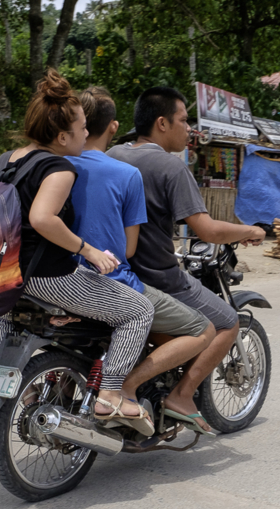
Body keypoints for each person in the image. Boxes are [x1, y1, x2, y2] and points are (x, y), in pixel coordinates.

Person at [0, 70, 155, 436]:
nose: (86, 134)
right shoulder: (58, 167)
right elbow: (42, 218)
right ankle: (111, 394)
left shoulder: (5, 160)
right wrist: (90, 251)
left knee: (7, 316)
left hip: (5, 274)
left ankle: (24, 384)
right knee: (139, 310)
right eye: (81, 128)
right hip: (49, 276)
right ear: (62, 135)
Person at [107, 87, 265, 433]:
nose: (189, 128)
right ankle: (181, 394)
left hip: (111, 272)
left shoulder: (113, 153)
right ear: (162, 123)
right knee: (226, 322)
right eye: (183, 120)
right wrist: (248, 230)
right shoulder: (170, 167)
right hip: (157, 277)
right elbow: (206, 230)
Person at [67, 87, 215, 429]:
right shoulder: (127, 173)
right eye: (184, 120)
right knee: (203, 329)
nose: (189, 127)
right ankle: (121, 390)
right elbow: (127, 250)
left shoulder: (54, 163)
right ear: (112, 127)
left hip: (55, 274)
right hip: (109, 279)